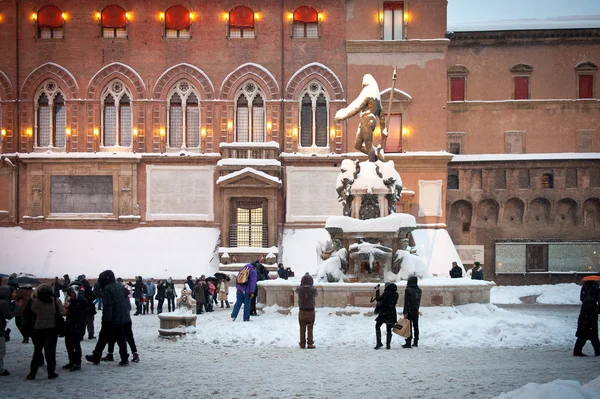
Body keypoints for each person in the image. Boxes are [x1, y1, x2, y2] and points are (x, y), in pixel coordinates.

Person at [334, 74, 387, 162]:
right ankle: (376, 156)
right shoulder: (377, 98)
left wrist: (342, 116)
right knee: (357, 145)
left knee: (368, 145)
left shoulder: (368, 91)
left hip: (367, 120)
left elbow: (356, 106)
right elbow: (381, 117)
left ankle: (372, 165)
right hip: (368, 121)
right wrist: (383, 130)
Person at [85, 270, 129, 366]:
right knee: (121, 339)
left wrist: (106, 320)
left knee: (103, 339)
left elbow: (108, 304)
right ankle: (124, 358)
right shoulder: (119, 287)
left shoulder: (108, 289)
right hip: (120, 317)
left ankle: (96, 357)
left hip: (110, 319)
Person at [26, 284, 66, 380]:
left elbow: (33, 310)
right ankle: (51, 373)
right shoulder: (56, 301)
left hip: (39, 327)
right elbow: (63, 312)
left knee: (37, 351)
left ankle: (32, 373)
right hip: (52, 328)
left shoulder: (36, 301)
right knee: (51, 351)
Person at [63, 282, 87, 371]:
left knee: (76, 345)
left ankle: (77, 363)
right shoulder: (72, 302)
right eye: (71, 293)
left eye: (73, 293)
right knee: (68, 344)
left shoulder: (81, 301)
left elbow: (79, 314)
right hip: (70, 325)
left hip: (77, 326)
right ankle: (72, 361)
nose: (71, 294)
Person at [573, 284, 600, 357]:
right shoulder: (590, 301)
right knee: (591, 337)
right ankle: (597, 351)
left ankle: (577, 351)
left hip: (587, 323)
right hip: (588, 323)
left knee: (585, 338)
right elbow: (593, 311)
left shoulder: (589, 299)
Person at [373, 282, 399, 350]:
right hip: (392, 313)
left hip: (384, 312)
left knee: (378, 325)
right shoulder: (396, 294)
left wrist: (377, 290)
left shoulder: (386, 293)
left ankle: (379, 343)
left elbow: (378, 299)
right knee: (389, 329)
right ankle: (388, 345)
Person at [296, 273, 318, 349]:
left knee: (302, 328)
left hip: (302, 310)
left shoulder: (299, 289)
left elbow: (297, 290)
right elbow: (315, 294)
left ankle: (302, 343)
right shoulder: (313, 290)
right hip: (311, 311)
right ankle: (310, 343)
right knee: (310, 327)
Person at [402, 276, 422, 349]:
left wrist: (405, 312)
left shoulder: (408, 290)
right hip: (415, 310)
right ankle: (416, 341)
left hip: (409, 310)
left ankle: (408, 342)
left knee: (408, 326)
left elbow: (406, 302)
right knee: (416, 326)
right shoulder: (419, 290)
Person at [0, 285, 16, 376]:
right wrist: (16, 306)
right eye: (14, 292)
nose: (15, 294)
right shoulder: (4, 303)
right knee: (1, 350)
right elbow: (9, 315)